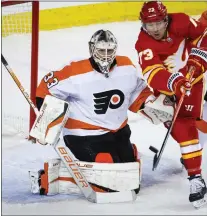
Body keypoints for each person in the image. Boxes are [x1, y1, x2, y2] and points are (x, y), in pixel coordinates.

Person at [33, 30, 174, 196]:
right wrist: (47, 121)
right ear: (92, 49)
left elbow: (136, 94)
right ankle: (50, 177)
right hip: (83, 136)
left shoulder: (126, 66)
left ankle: (126, 156)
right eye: (101, 51)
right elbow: (44, 90)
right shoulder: (74, 72)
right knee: (111, 185)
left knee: (132, 183)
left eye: (110, 51)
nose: (106, 56)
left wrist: (155, 107)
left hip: (118, 133)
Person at [135, 1, 207, 207]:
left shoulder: (182, 21)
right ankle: (196, 177)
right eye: (150, 25)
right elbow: (153, 73)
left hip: (195, 78)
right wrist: (175, 82)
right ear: (143, 25)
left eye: (159, 23)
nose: (155, 29)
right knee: (181, 126)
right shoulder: (143, 44)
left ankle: (193, 160)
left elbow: (203, 35)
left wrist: (199, 56)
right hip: (170, 88)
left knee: (193, 124)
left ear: (166, 19)